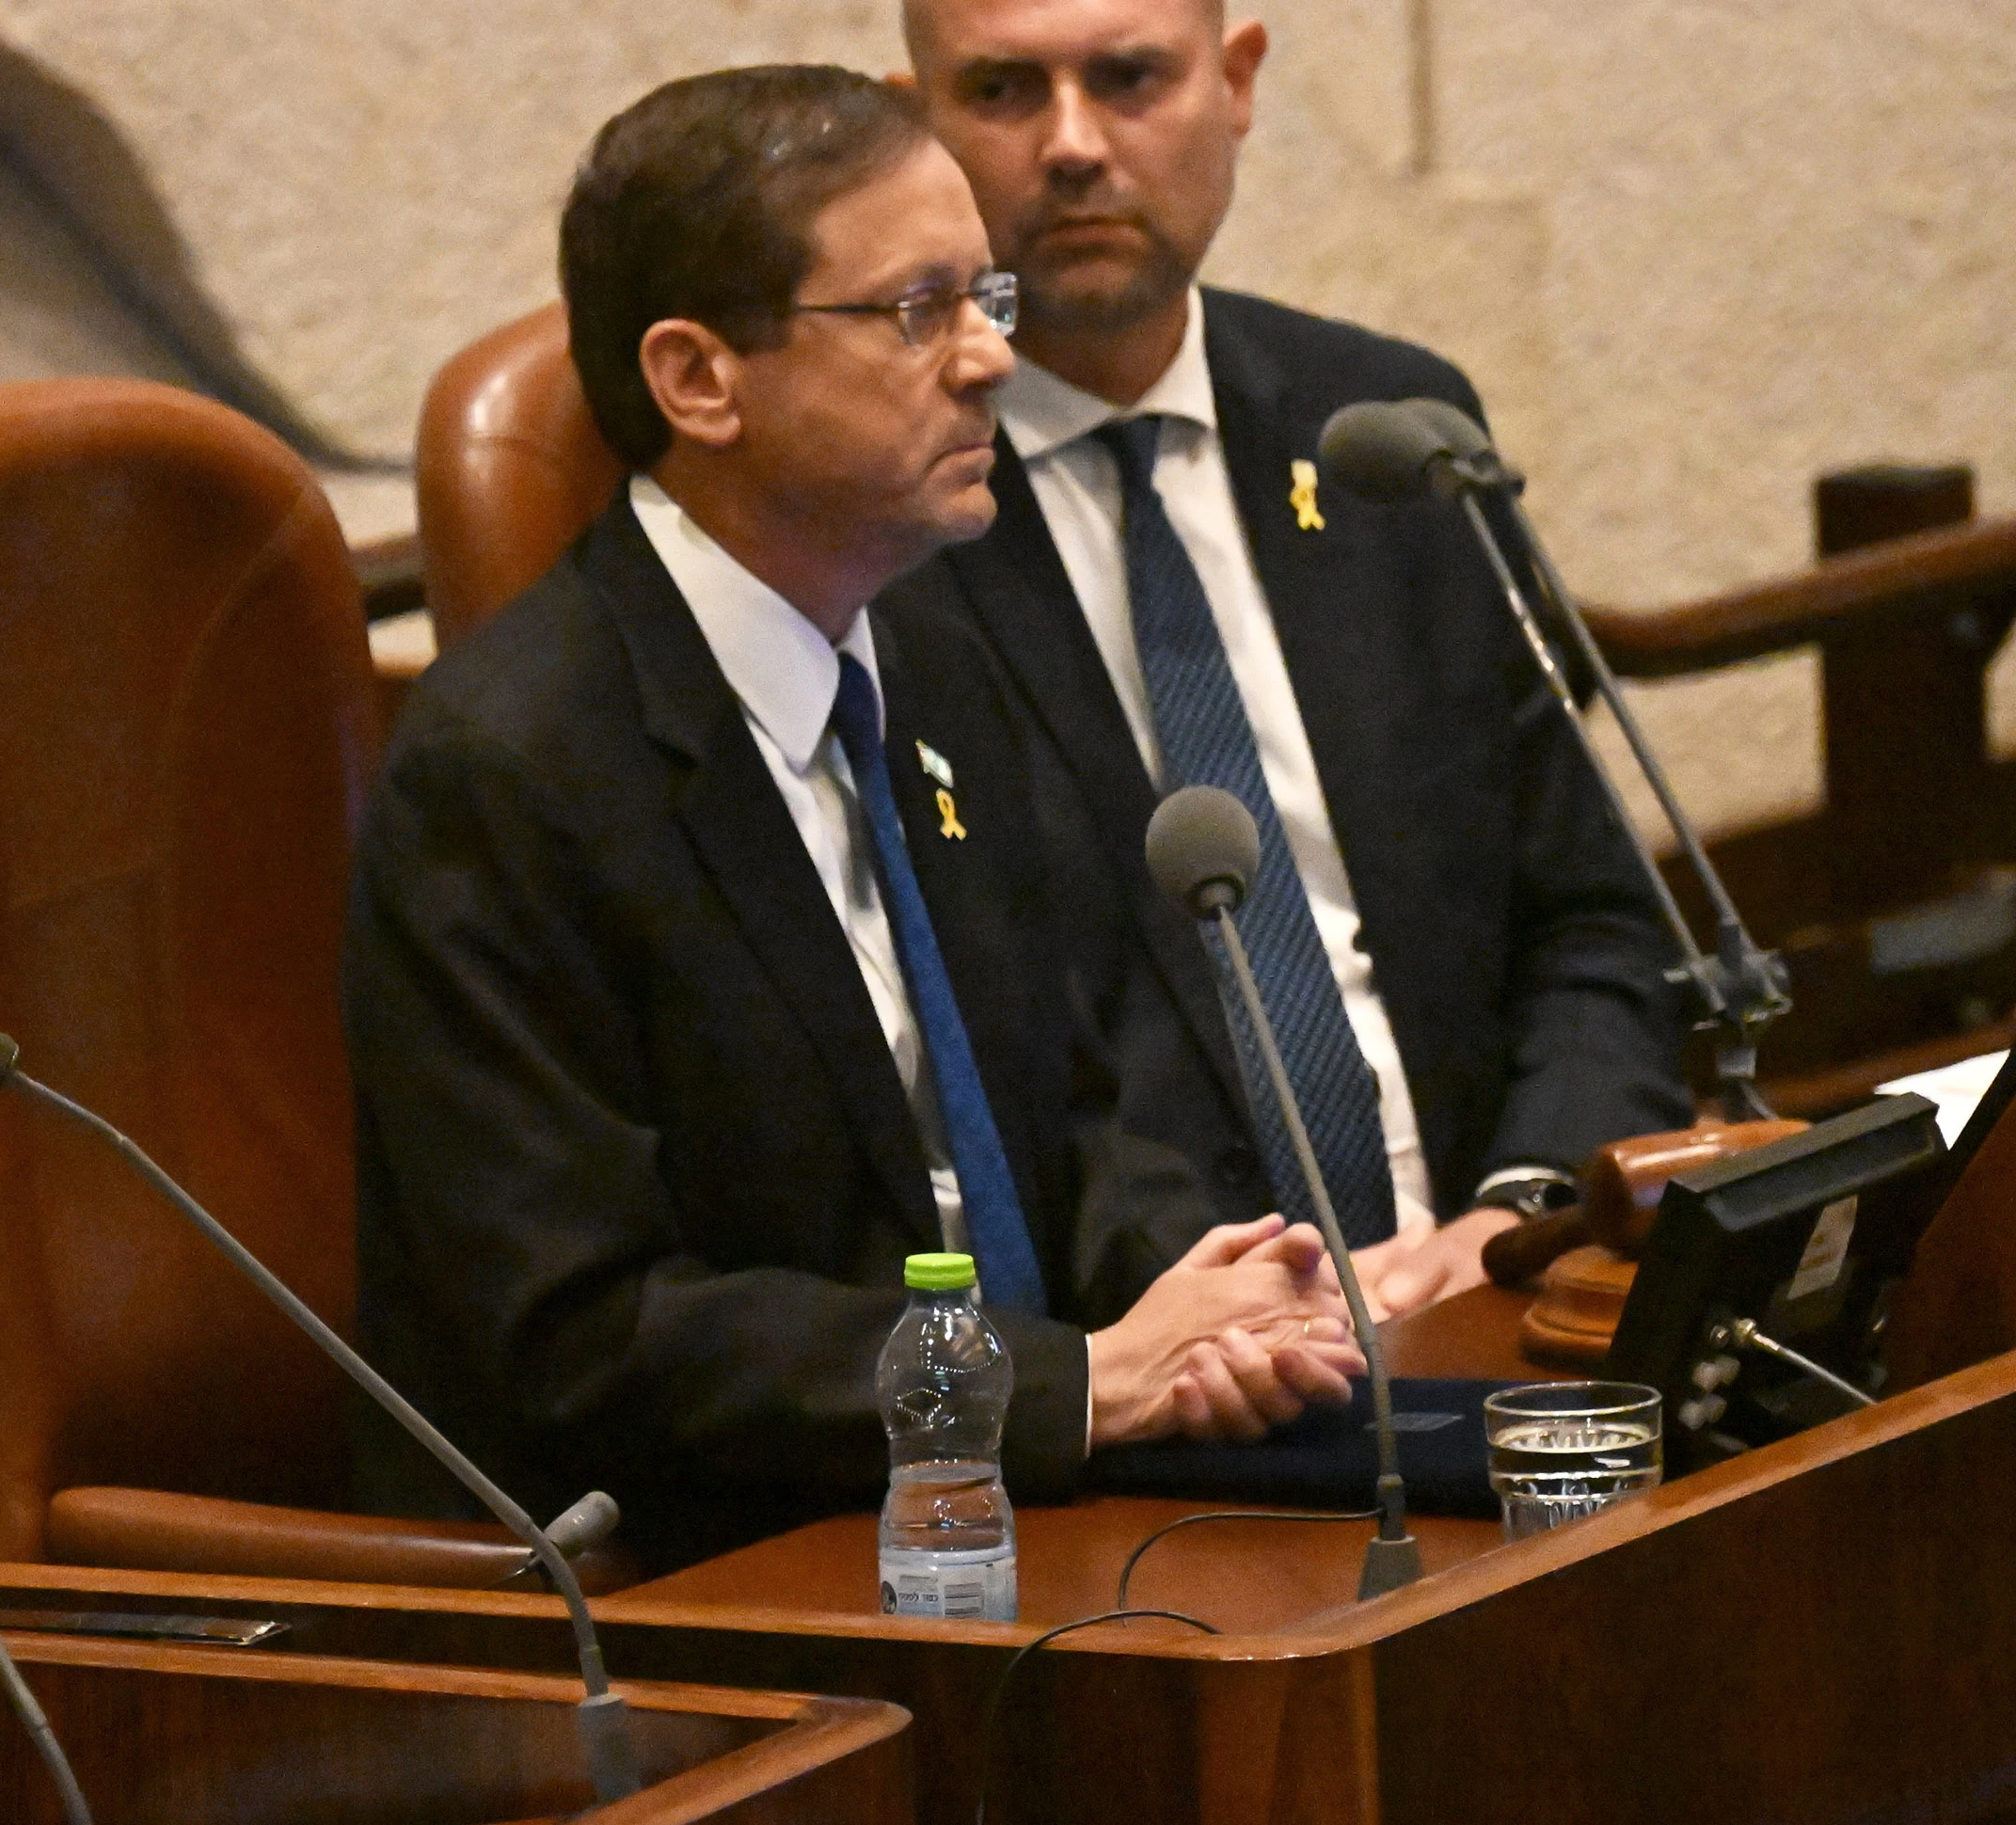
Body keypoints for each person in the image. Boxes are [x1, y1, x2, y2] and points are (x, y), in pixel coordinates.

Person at [346, 66, 1359, 1575]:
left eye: (987, 296)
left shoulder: (937, 644)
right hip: (731, 1569)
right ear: (700, 379)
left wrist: (1205, 1302)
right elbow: (585, 1331)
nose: (991, 359)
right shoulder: (508, 773)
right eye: (918, 310)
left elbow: (1076, 1101)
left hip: (1025, 1503)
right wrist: (1075, 1383)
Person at [896, 0, 1687, 1318]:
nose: (1076, 143)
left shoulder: (1387, 430)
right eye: (1004, 92)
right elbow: (965, 1063)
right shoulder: (880, 519)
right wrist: (1242, 1303)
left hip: (1500, 1286)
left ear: (1238, 80)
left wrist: (1526, 1209)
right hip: (1175, 1352)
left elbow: (1591, 920)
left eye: (1130, 76)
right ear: (918, 121)